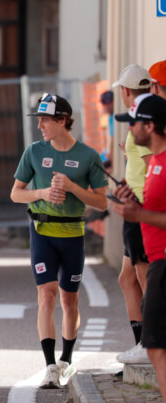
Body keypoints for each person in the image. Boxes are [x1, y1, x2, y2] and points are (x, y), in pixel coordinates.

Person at [10, 93, 107, 389]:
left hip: (73, 234)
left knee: (69, 299)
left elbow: (102, 203)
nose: (40, 125)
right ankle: (50, 366)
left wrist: (73, 187)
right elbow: (16, 193)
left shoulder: (89, 155)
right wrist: (41, 193)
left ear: (63, 120)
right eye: (38, 120)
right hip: (42, 232)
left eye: (45, 120)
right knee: (47, 295)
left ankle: (67, 360)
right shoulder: (34, 152)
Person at [112, 93, 166, 403]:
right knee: (156, 345)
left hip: (163, 262)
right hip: (157, 260)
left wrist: (139, 214)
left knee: (157, 343)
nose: (130, 129)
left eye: (134, 123)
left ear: (151, 126)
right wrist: (132, 201)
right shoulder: (154, 162)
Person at [111, 66, 152, 365]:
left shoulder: (143, 119)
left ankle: (152, 343)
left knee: (143, 274)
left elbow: (154, 163)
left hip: (141, 206)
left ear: (125, 91)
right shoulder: (143, 115)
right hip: (136, 201)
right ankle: (143, 343)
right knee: (127, 278)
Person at [100, 90, 114, 169]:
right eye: (104, 103)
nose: (106, 105)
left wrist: (110, 158)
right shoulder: (110, 117)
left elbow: (114, 140)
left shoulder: (114, 117)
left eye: (109, 102)